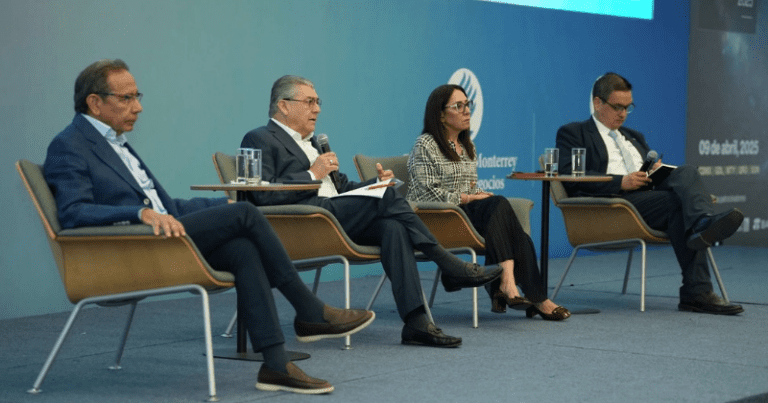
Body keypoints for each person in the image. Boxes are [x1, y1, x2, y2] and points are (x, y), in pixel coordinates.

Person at [44, 59, 377, 395]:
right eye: (126, 98)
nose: (138, 107)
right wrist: (138, 214)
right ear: (95, 102)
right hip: (135, 247)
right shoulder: (69, 145)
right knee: (247, 212)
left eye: (137, 96)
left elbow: (168, 208)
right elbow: (73, 213)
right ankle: (309, 310)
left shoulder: (117, 143)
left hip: (165, 236)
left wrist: (221, 205)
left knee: (242, 248)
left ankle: (275, 364)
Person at [240, 75, 503, 348]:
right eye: (309, 102)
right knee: (387, 199)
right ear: (283, 106)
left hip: (335, 215)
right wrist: (312, 174)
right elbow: (261, 194)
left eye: (318, 102)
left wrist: (375, 185)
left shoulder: (315, 143)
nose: (317, 109)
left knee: (393, 225)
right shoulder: (259, 138)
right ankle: (446, 261)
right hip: (308, 220)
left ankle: (416, 323)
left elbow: (340, 187)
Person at [555, 72, 744, 315]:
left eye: (628, 107)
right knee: (676, 204)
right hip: (614, 205)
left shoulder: (634, 136)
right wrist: (620, 182)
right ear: (597, 103)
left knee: (686, 173)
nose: (623, 113)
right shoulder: (574, 133)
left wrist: (654, 173)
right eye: (617, 107)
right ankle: (697, 290)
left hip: (648, 196)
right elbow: (570, 177)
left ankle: (701, 225)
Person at [406, 84, 570, 321]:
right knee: (503, 213)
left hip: (465, 216)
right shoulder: (426, 145)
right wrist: (468, 198)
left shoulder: (467, 147)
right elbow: (424, 195)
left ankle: (513, 289)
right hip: (439, 219)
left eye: (467, 105)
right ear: (441, 115)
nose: (466, 111)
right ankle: (524, 293)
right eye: (458, 106)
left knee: (507, 220)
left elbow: (470, 188)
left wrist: (478, 195)